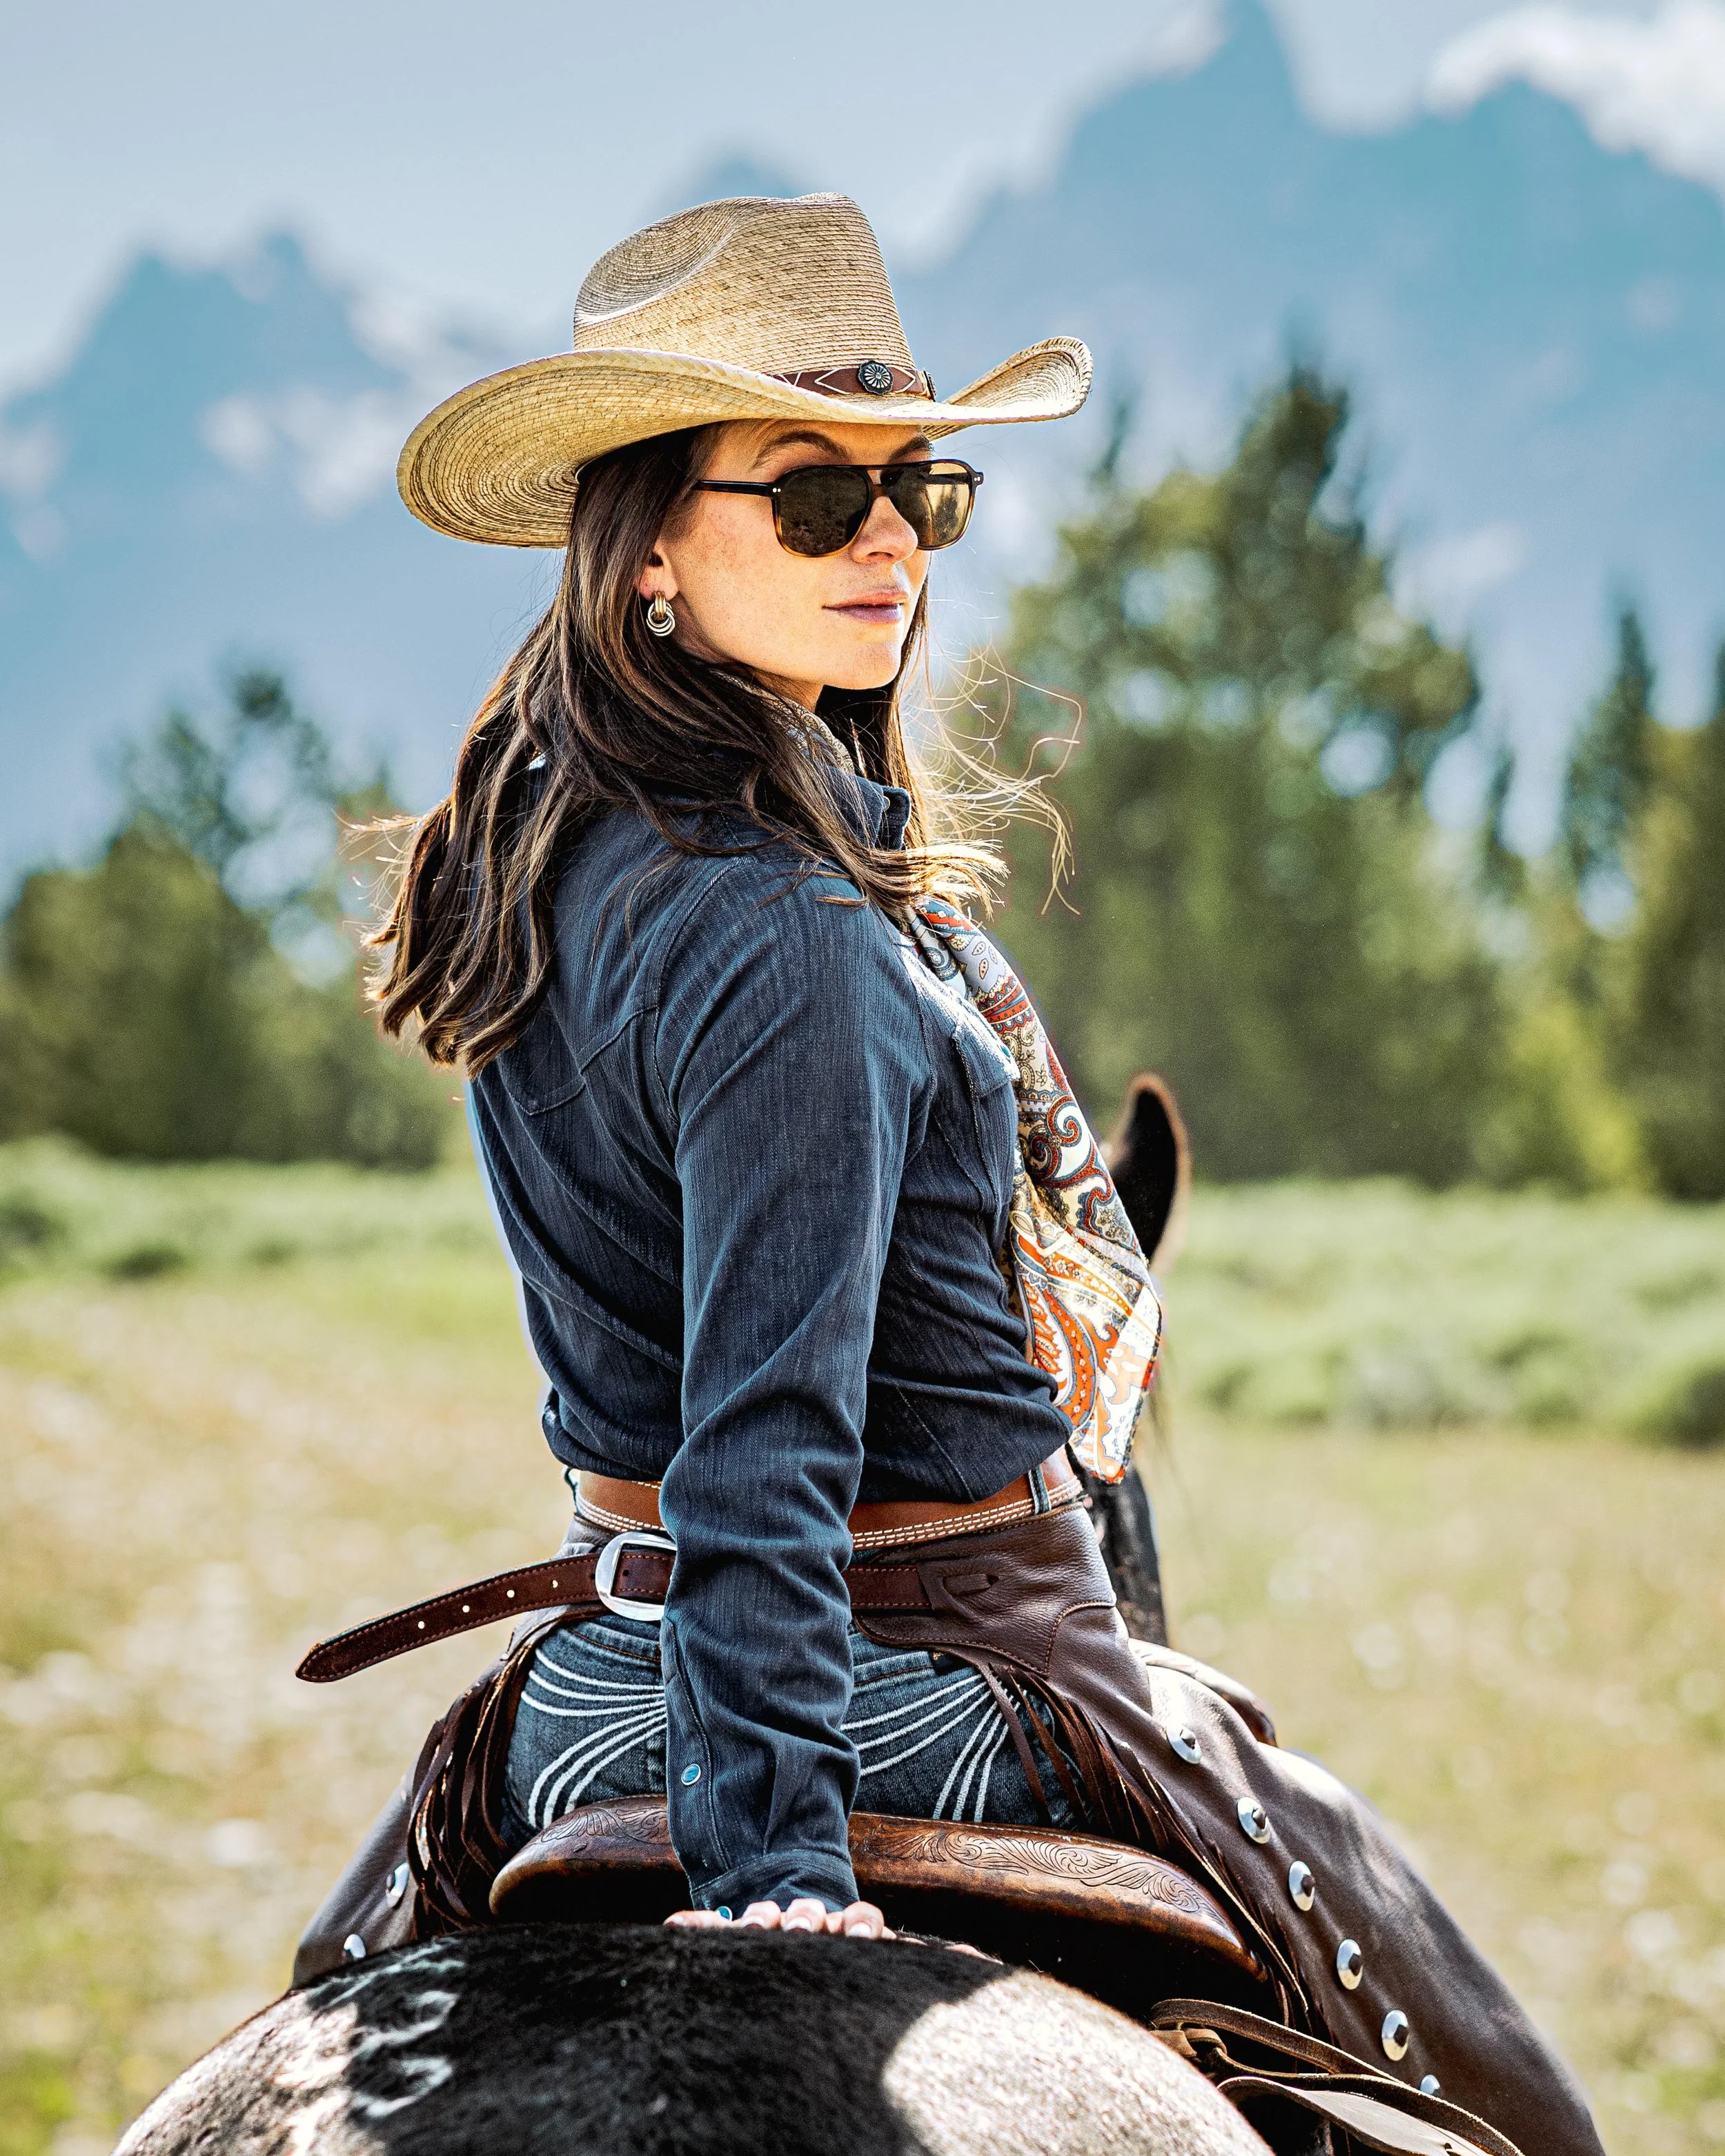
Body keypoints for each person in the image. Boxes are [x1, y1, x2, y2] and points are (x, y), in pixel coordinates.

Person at [313, 192, 1602, 2156]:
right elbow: (766, 1434)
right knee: (1500, 2090)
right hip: (905, 1678)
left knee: (312, 2011)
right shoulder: (797, 937)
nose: (890, 539)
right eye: (812, 497)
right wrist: (765, 1853)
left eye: (917, 489)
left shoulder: (534, 858)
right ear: (648, 541)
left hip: (585, 1681)